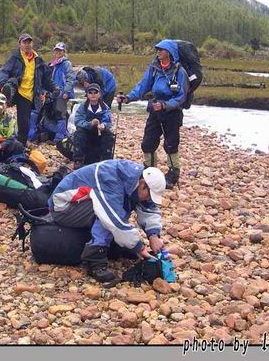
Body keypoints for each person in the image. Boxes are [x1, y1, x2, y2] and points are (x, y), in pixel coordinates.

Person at [48, 159, 167, 282]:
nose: (148, 199)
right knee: (106, 212)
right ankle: (94, 258)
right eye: (149, 195)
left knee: (122, 204)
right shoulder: (111, 180)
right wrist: (138, 247)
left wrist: (153, 235)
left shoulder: (134, 181)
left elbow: (149, 208)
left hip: (80, 204)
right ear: (142, 183)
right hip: (62, 207)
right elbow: (114, 220)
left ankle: (114, 244)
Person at [117, 39, 189, 188]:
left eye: (161, 49)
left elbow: (181, 96)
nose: (158, 52)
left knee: (171, 144)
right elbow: (143, 86)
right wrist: (128, 98)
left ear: (169, 52)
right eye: (157, 49)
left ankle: (173, 175)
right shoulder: (155, 68)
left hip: (172, 113)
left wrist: (165, 105)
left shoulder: (180, 72)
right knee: (147, 143)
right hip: (155, 111)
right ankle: (149, 173)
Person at [0, 33, 60, 146]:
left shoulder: (38, 60)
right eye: (24, 42)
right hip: (19, 93)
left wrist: (54, 87)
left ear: (32, 44)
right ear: (20, 44)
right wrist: (2, 83)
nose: (27, 45)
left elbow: (46, 79)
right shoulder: (15, 58)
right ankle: (20, 146)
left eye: (29, 42)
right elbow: (4, 71)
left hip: (33, 94)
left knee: (28, 122)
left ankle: (20, 144)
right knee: (24, 123)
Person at [28, 41, 76, 143]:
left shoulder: (66, 64)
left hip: (62, 93)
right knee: (50, 112)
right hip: (52, 92)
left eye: (60, 50)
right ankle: (51, 133)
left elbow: (71, 78)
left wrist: (66, 91)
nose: (58, 52)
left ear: (64, 52)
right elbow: (47, 79)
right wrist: (44, 91)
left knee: (60, 113)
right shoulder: (52, 64)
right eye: (56, 50)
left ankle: (59, 138)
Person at [71, 83, 115, 169]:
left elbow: (108, 122)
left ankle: (106, 161)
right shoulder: (82, 107)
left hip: (100, 135)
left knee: (109, 134)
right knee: (79, 132)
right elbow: (78, 121)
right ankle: (78, 161)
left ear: (99, 94)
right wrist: (90, 124)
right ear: (87, 95)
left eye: (95, 92)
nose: (93, 94)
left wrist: (103, 126)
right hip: (86, 134)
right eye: (90, 92)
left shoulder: (105, 107)